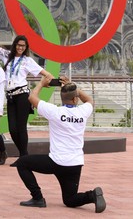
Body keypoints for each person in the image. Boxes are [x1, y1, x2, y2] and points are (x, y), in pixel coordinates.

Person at [15, 77, 106, 213]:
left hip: (56, 162)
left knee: (22, 163)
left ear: (61, 98)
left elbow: (32, 97)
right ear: (75, 99)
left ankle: (38, 198)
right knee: (70, 200)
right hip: (75, 164)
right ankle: (92, 195)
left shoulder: (55, 111)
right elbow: (90, 101)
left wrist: (41, 83)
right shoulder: (83, 111)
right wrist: (73, 87)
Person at [0, 27, 54, 160]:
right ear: (15, 45)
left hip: (22, 95)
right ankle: (23, 155)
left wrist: (57, 82)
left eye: (23, 46)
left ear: (26, 47)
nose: (20, 48)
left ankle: (23, 157)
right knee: (12, 129)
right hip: (10, 97)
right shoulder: (7, 55)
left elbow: (46, 74)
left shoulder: (28, 61)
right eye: (18, 45)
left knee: (21, 128)